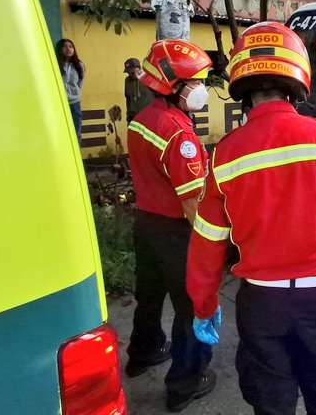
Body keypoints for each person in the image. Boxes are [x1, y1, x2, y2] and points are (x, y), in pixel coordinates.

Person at [186, 21, 316, 415]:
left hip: (261, 302)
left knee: (271, 402)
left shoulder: (225, 155)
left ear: (242, 88)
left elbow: (207, 243)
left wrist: (203, 306)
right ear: (297, 79)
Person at [126, 39, 216, 412]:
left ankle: (143, 353)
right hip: (176, 233)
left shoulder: (142, 120)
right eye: (196, 82)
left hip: (146, 224)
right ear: (173, 86)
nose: (202, 89)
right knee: (193, 307)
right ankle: (185, 383)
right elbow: (193, 201)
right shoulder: (180, 136)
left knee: (149, 296)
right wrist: (208, 247)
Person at [56, 38, 84, 137]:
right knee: (61, 133)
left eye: (71, 46)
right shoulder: (55, 64)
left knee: (76, 133)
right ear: (60, 49)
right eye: (65, 46)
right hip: (59, 103)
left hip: (74, 103)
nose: (68, 49)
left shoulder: (79, 65)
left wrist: (75, 94)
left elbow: (80, 83)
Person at [124, 57, 152, 122]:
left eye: (132, 72)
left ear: (139, 68)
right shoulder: (127, 80)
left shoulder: (149, 78)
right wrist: (128, 115)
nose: (130, 74)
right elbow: (128, 98)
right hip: (134, 117)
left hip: (149, 116)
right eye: (128, 72)